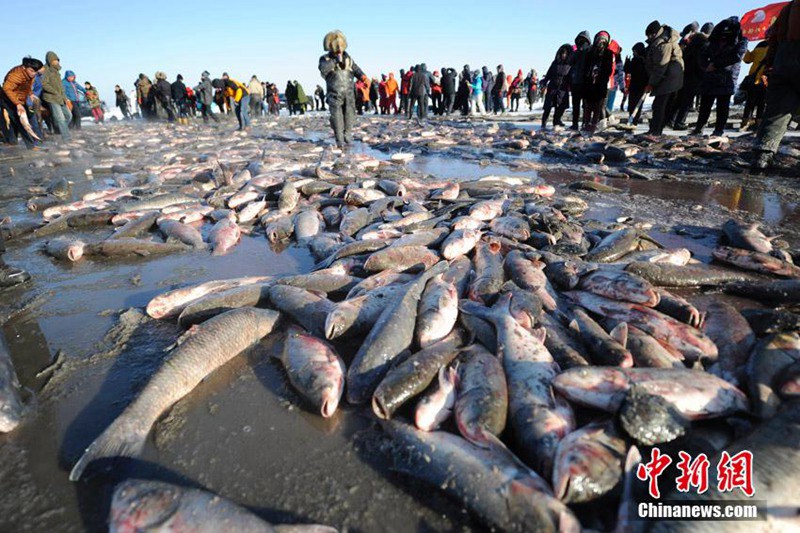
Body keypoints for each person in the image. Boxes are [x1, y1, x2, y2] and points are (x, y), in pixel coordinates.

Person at [753, 0, 800, 169]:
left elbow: (773, 37)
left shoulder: (788, 8)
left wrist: (770, 65)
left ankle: (762, 156)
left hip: (783, 60)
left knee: (777, 111)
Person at [692, 17, 747, 136]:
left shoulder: (740, 41)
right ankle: (699, 128)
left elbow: (737, 56)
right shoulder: (714, 40)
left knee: (722, 106)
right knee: (705, 104)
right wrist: (706, 66)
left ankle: (718, 130)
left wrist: (716, 65)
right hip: (710, 76)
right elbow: (702, 54)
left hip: (727, 77)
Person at [318, 30, 368, 148]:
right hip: (334, 91)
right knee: (337, 114)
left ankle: (348, 134)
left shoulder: (348, 57)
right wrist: (335, 61)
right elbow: (323, 69)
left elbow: (355, 68)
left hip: (349, 91)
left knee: (350, 113)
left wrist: (362, 76)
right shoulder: (325, 59)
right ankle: (339, 137)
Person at [668, 22, 713, 130]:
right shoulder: (705, 44)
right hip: (696, 75)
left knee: (679, 99)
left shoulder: (692, 43)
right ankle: (679, 123)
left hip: (685, 73)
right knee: (687, 101)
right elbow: (701, 62)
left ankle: (669, 120)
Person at [643, 20, 684, 136]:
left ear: (655, 33)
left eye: (649, 35)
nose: (648, 37)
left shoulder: (664, 44)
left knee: (659, 105)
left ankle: (656, 131)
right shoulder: (658, 42)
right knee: (659, 105)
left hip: (669, 78)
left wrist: (652, 83)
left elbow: (661, 66)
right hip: (667, 78)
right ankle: (655, 129)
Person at [1, 57, 44, 149]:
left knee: (22, 119)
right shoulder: (15, 75)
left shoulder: (31, 75)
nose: (34, 74)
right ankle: (31, 146)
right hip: (8, 98)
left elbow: (27, 86)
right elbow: (6, 88)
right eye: (31, 71)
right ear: (25, 67)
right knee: (21, 121)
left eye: (36, 72)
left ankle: (12, 142)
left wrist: (30, 94)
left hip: (20, 98)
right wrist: (18, 104)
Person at [581, 31, 614, 131]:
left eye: (603, 41)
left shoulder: (608, 53)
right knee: (588, 106)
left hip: (601, 83)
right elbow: (585, 66)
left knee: (598, 107)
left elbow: (608, 69)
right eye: (599, 40)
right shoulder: (590, 52)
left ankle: (594, 125)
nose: (601, 43)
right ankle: (586, 124)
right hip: (589, 83)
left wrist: (602, 76)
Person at [41, 51, 72, 141]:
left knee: (68, 116)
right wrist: (54, 91)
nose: (56, 62)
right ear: (49, 60)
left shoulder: (57, 71)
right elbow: (44, 84)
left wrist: (65, 98)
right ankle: (66, 138)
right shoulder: (46, 70)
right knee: (60, 118)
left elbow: (60, 86)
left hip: (60, 98)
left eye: (57, 60)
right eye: (54, 60)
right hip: (51, 98)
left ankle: (57, 129)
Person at [740, 40, 770, 131]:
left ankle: (745, 124)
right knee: (762, 103)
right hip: (765, 79)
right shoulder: (778, 44)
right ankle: (758, 125)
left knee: (750, 103)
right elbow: (748, 60)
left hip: (757, 79)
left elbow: (747, 59)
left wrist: (745, 49)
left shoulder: (761, 44)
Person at [540, 44, 573, 129]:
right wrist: (544, 81)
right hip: (552, 87)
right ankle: (544, 122)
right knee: (548, 107)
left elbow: (571, 77)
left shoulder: (570, 64)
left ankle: (556, 121)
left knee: (561, 106)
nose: (563, 55)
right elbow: (549, 74)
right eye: (562, 53)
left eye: (565, 54)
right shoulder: (555, 63)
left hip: (563, 88)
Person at [569, 31, 592, 130]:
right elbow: (570, 62)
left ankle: (585, 123)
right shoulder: (576, 52)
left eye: (582, 39)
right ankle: (575, 124)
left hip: (585, 82)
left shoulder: (590, 51)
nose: (580, 42)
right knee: (576, 105)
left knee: (585, 105)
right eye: (579, 39)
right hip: (576, 82)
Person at [625, 43, 648, 124]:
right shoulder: (635, 60)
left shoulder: (644, 60)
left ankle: (634, 121)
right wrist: (627, 63)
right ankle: (631, 120)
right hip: (634, 86)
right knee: (631, 105)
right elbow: (628, 70)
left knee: (637, 106)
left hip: (640, 87)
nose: (633, 53)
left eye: (634, 51)